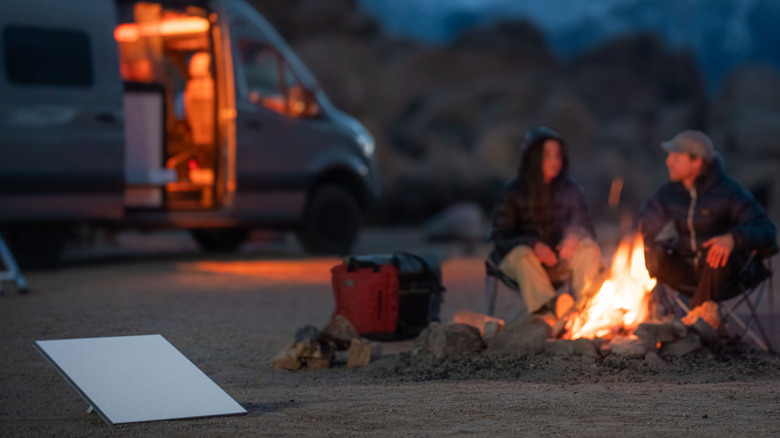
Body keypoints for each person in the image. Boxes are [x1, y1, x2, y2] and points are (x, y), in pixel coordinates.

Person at [636, 130, 778, 325]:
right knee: (653, 252)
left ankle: (698, 320)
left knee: (717, 253)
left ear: (697, 162)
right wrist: (656, 239)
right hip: (684, 269)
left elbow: (767, 231)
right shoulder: (668, 193)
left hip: (724, 274)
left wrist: (733, 239)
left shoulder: (729, 192)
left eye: (676, 156)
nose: (669, 162)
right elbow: (641, 223)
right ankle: (657, 322)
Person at [491, 126, 601, 317]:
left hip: (558, 260)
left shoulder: (570, 189)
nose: (554, 161)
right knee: (522, 254)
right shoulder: (513, 192)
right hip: (522, 263)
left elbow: (586, 225)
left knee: (589, 247)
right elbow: (501, 237)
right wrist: (534, 245)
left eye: (557, 155)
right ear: (533, 158)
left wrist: (574, 236)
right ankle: (548, 310)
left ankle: (586, 309)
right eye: (547, 156)